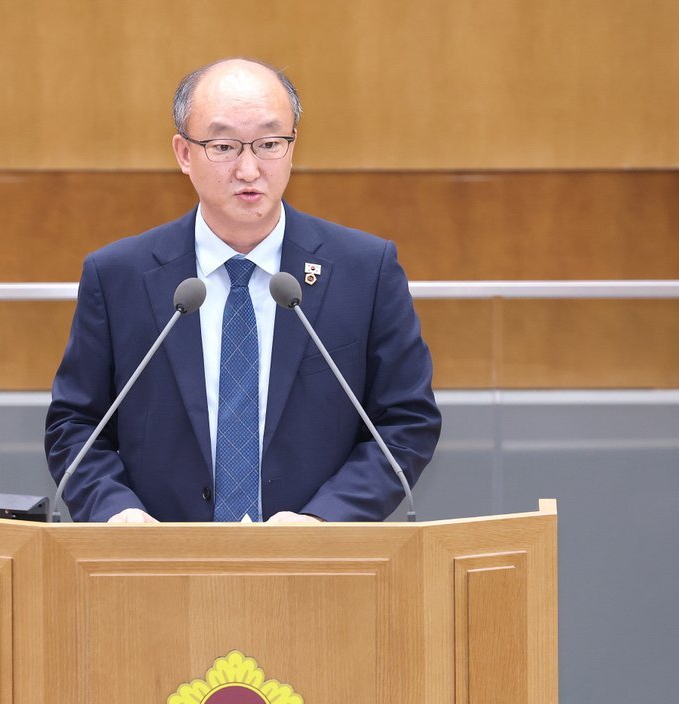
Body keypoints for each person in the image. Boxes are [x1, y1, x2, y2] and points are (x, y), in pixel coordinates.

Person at [45, 57, 440, 523]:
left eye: (270, 144)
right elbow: (76, 426)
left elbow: (405, 422)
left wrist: (325, 521)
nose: (249, 169)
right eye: (224, 146)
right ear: (184, 153)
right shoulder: (118, 277)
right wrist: (117, 513)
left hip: (316, 558)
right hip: (157, 557)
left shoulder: (365, 271)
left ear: (292, 148)